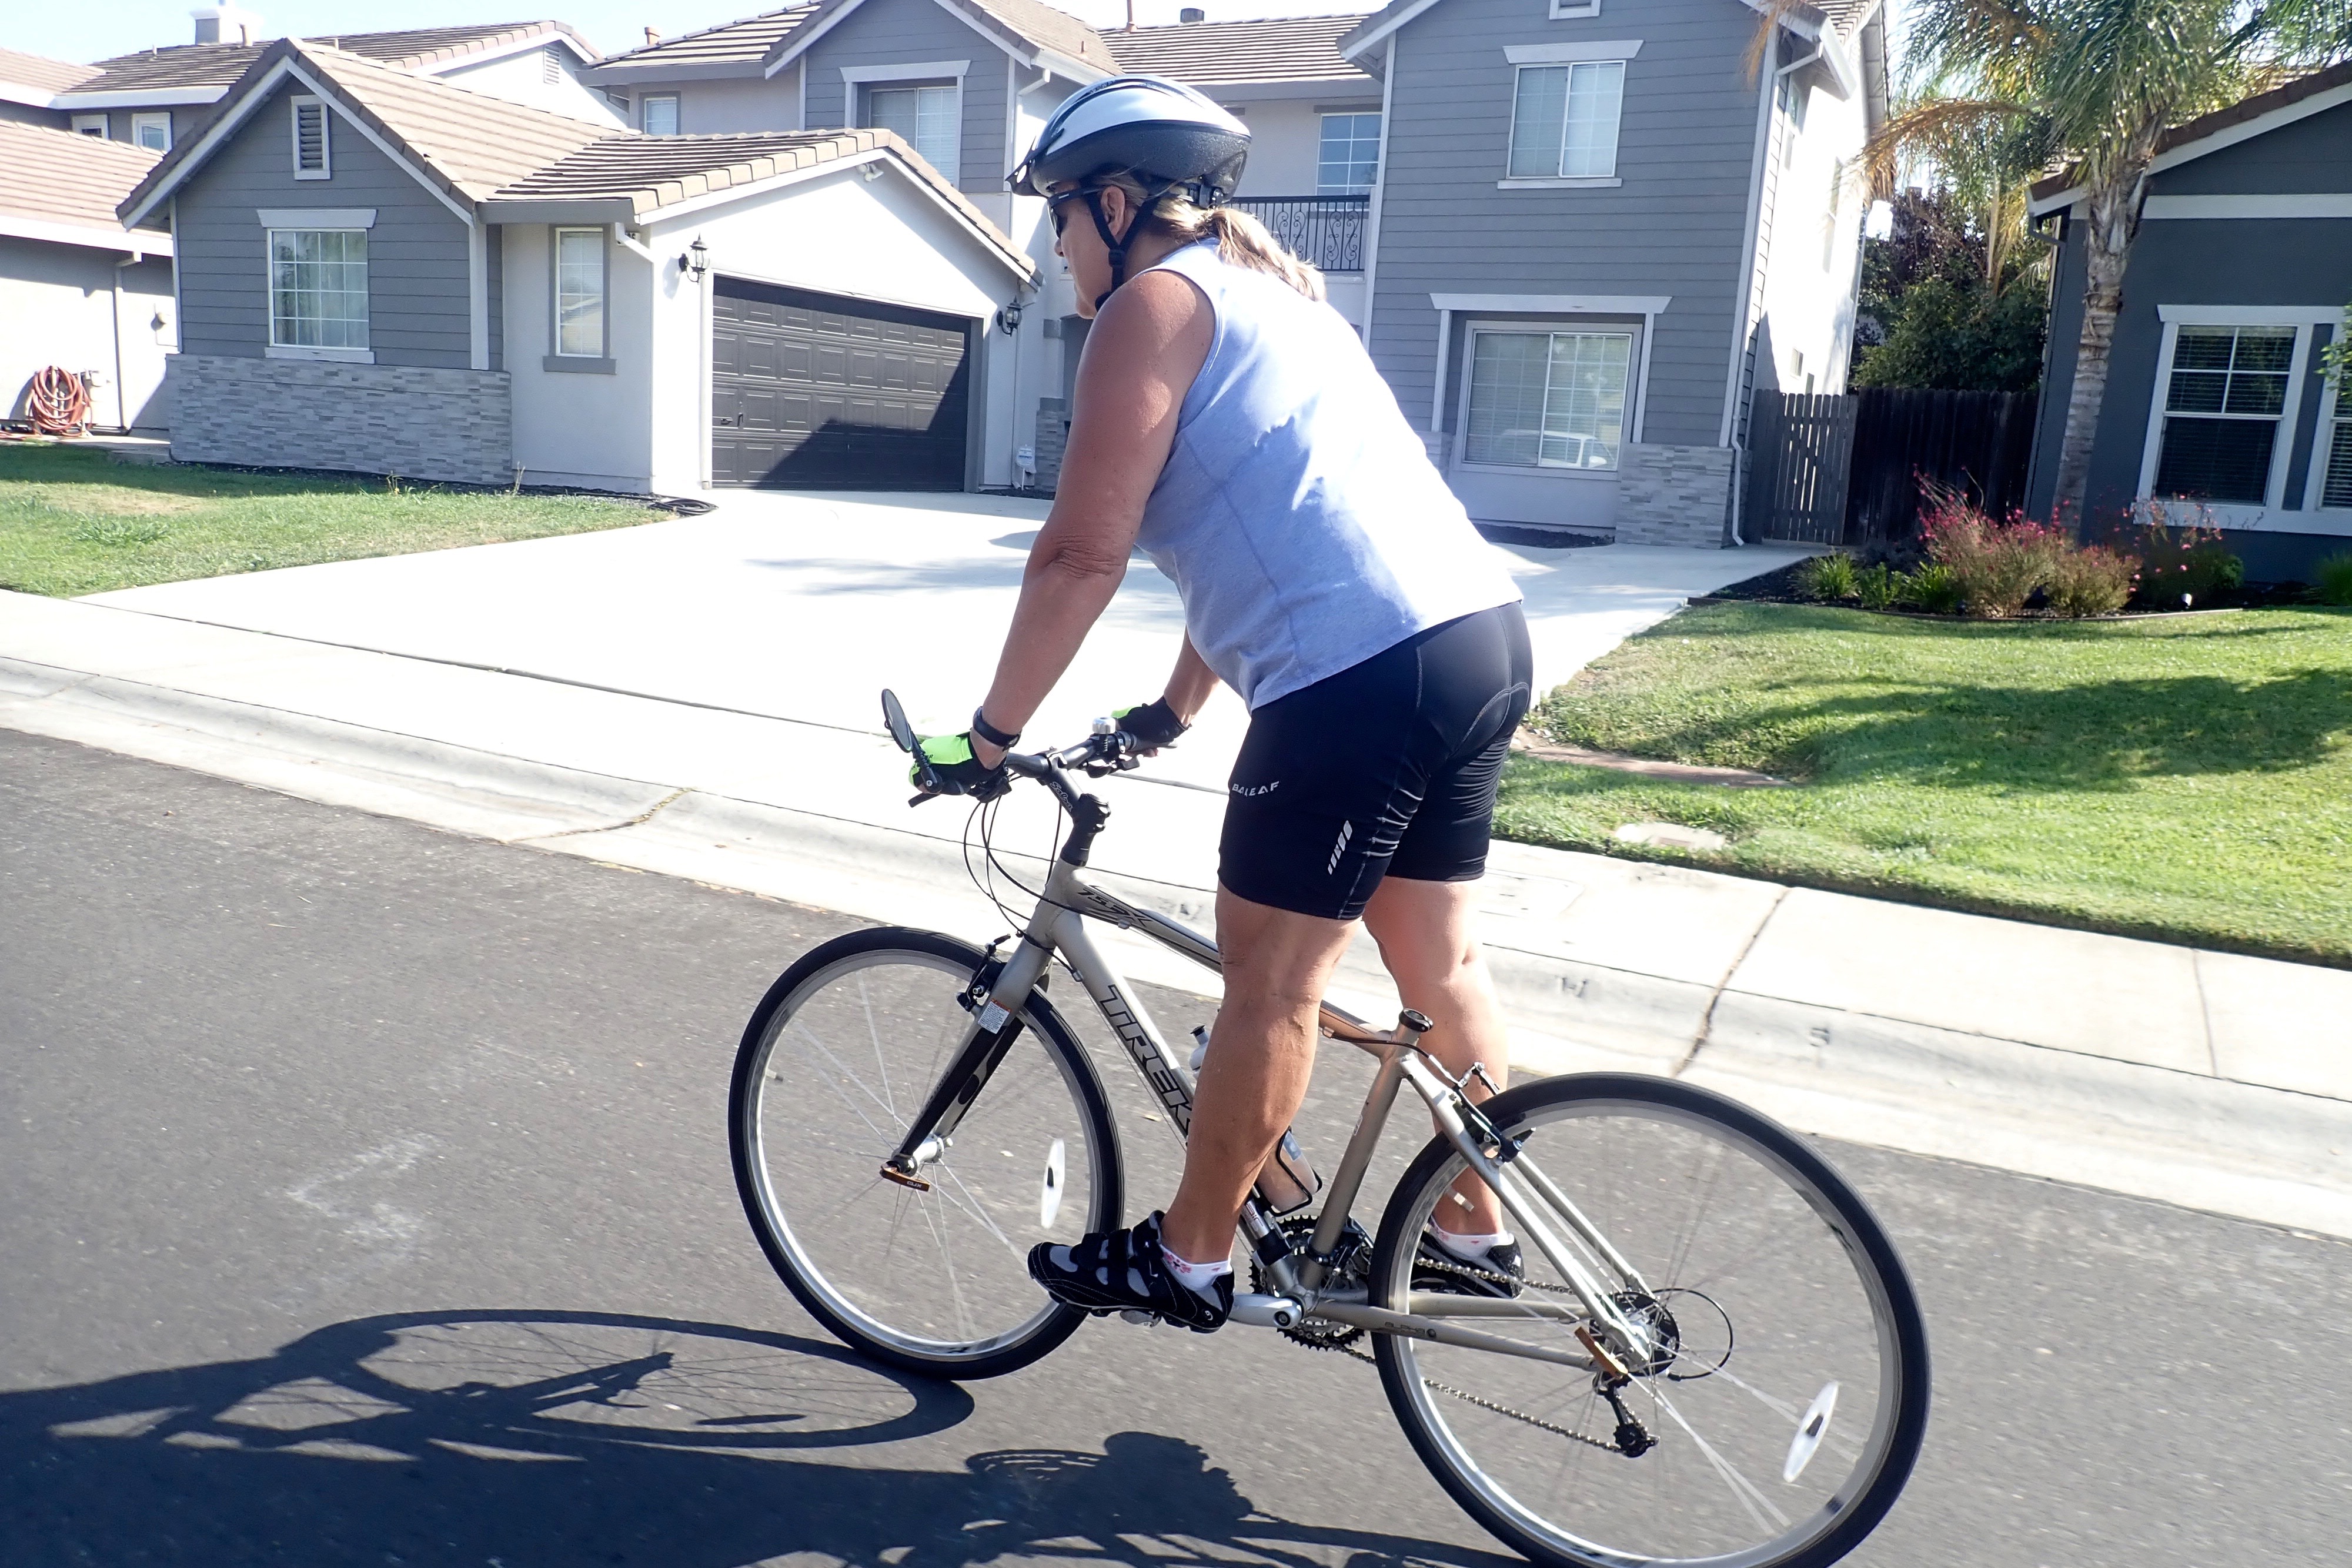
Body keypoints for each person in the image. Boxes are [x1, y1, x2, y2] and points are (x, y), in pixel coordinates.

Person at [911, 77, 1532, 1332]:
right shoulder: (1283, 304)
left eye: (1059, 215)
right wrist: (1171, 708)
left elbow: (1079, 555)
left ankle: (1188, 1257)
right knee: (1441, 961)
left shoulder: (1148, 308)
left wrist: (988, 737)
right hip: (1476, 642)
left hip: (1360, 678)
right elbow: (1274, 532)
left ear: (1117, 205)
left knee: (1272, 981)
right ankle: (1471, 1228)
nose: (1055, 244)